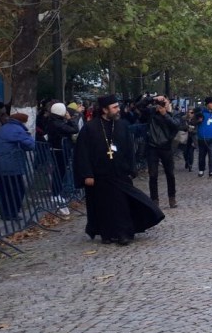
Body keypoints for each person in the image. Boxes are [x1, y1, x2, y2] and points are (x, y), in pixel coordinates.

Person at [73, 95, 164, 245]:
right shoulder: (90, 128)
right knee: (104, 206)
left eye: (117, 106)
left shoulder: (122, 125)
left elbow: (129, 149)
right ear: (104, 109)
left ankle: (124, 233)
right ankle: (107, 234)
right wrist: (87, 174)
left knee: (122, 205)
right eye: (114, 107)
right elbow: (82, 153)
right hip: (100, 175)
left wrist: (132, 168)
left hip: (120, 173)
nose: (118, 110)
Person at [139, 95, 183, 209]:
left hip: (166, 147)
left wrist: (165, 114)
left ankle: (172, 198)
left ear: (169, 102)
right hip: (152, 146)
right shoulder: (152, 112)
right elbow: (139, 107)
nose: (162, 104)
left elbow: (176, 125)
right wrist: (151, 99)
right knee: (153, 175)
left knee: (170, 174)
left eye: (164, 101)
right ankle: (154, 200)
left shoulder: (175, 114)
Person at [0, 113, 35, 222]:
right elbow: (31, 145)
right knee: (17, 189)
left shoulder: (4, 127)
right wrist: (29, 135)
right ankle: (13, 213)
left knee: (4, 190)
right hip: (11, 165)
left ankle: (6, 213)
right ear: (23, 121)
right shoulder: (17, 130)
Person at [46, 102, 79, 215]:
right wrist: (70, 119)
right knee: (59, 172)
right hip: (59, 150)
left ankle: (57, 193)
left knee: (60, 172)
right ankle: (56, 194)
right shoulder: (57, 123)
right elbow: (74, 129)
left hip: (59, 149)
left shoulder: (54, 121)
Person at [191, 97, 212, 178]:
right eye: (211, 103)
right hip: (202, 138)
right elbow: (193, 122)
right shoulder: (201, 112)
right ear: (207, 104)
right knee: (202, 155)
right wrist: (198, 121)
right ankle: (201, 169)